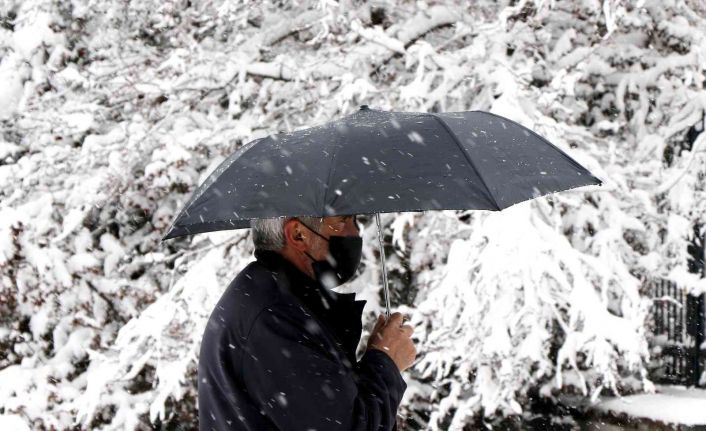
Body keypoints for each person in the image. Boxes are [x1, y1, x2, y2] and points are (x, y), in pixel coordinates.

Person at [198, 214, 417, 431]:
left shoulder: (282, 300)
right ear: (298, 234)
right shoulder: (273, 319)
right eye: (342, 222)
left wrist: (377, 365)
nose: (356, 233)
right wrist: (385, 363)